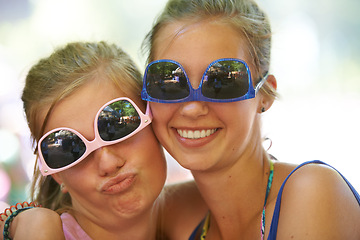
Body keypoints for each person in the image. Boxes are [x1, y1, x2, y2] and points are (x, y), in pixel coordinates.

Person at [140, 0, 360, 239]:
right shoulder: (172, 213)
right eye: (169, 81)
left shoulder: (313, 193)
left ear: (264, 94)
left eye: (222, 81)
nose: (192, 109)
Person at [0, 41, 206, 240]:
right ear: (57, 175)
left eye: (117, 125)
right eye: (68, 148)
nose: (107, 163)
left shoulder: (206, 204)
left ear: (154, 118)